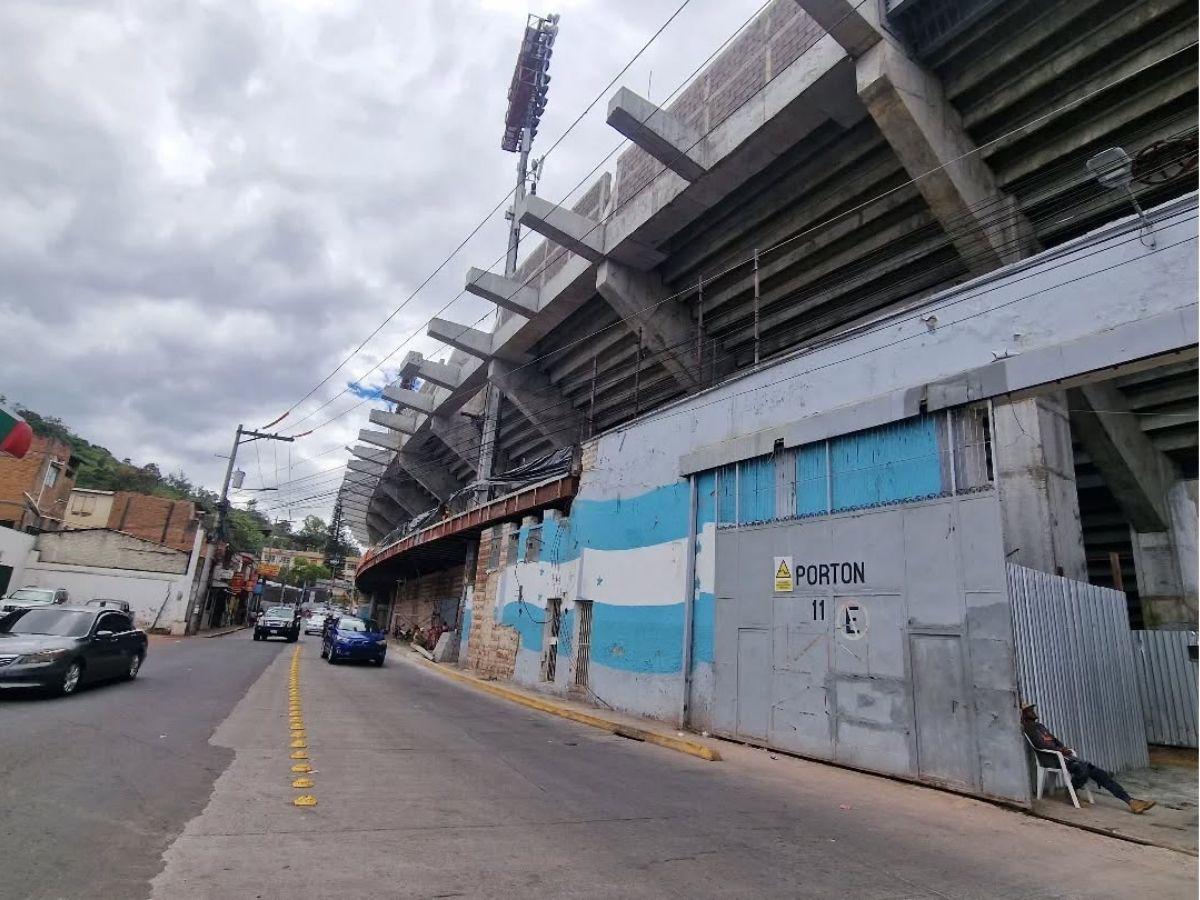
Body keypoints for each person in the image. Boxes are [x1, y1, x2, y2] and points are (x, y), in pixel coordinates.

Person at [1021, 702, 1155, 814]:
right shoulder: (1029, 728)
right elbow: (1039, 745)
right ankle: (1070, 791)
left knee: (1099, 773)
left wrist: (1063, 748)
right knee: (1083, 769)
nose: (1033, 712)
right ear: (1025, 714)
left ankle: (1130, 801)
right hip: (1052, 760)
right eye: (1030, 710)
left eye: (1032, 709)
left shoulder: (1040, 726)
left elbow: (1055, 741)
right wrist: (1059, 751)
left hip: (1065, 758)